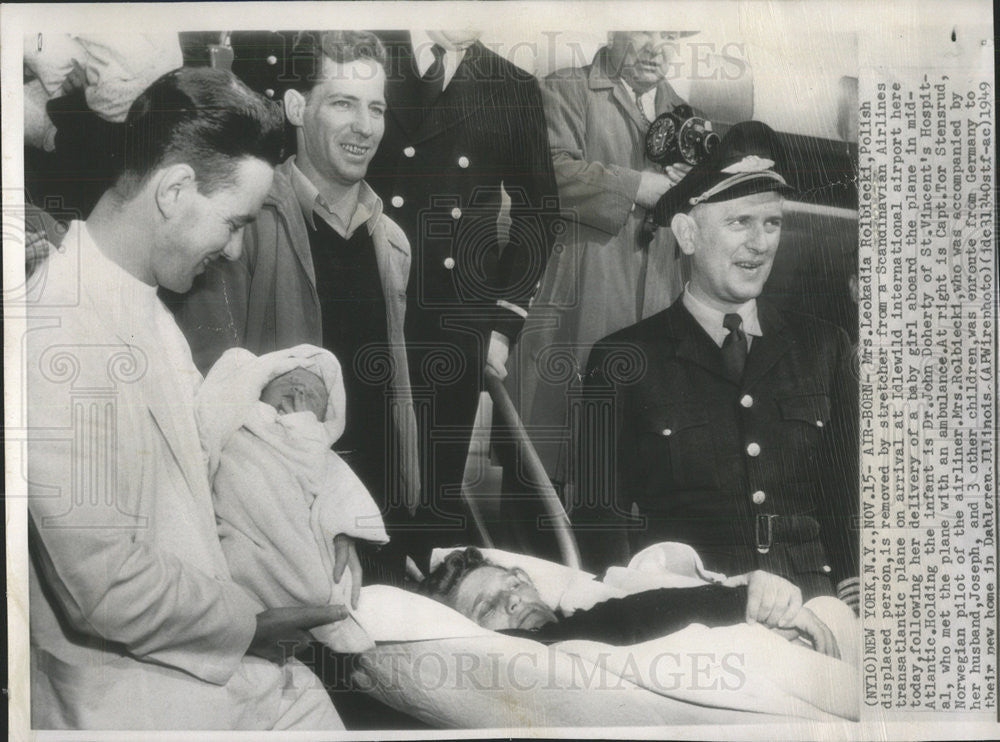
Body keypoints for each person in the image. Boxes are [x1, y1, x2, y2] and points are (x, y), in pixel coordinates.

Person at [26, 66, 345, 730]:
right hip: (128, 697)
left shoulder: (140, 306)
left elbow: (199, 489)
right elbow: (106, 587)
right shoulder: (58, 328)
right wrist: (254, 622)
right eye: (234, 223)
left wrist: (317, 533)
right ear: (174, 189)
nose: (232, 251)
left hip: (197, 671)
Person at [164, 31, 420, 583]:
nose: (365, 126)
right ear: (298, 107)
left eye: (375, 107)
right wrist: (323, 511)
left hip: (374, 526)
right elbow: (208, 394)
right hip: (274, 532)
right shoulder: (243, 225)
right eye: (344, 103)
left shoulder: (392, 241)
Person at [579, 121, 859, 606]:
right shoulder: (623, 360)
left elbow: (852, 497)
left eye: (772, 223)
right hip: (696, 614)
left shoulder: (825, 347)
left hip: (816, 605)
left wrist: (854, 600)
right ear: (687, 234)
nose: (760, 243)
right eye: (739, 222)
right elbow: (600, 524)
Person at [366, 30, 559, 569]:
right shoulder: (365, 45)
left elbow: (539, 214)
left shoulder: (512, 85)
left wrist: (501, 324)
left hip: (452, 330)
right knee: (356, 490)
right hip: (362, 303)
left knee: (427, 512)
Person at [508, 32, 697, 510]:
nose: (658, 49)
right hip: (579, 307)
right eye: (646, 32)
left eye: (671, 36)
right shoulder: (563, 89)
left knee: (630, 471)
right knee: (547, 470)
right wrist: (641, 186)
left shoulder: (686, 113)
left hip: (657, 301)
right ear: (614, 31)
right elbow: (547, 172)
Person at [197, 344, 389, 654]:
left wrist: (302, 428)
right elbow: (210, 436)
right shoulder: (243, 418)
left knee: (313, 582)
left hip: (286, 529)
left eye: (314, 394)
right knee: (242, 565)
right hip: (239, 517)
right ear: (260, 387)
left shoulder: (314, 442)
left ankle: (302, 614)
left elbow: (324, 473)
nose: (300, 389)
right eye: (288, 382)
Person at [423, 547, 839, 656]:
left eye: (513, 585)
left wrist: (745, 589)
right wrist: (741, 600)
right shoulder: (542, 648)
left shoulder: (582, 603)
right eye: (488, 608)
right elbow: (623, 621)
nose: (512, 601)